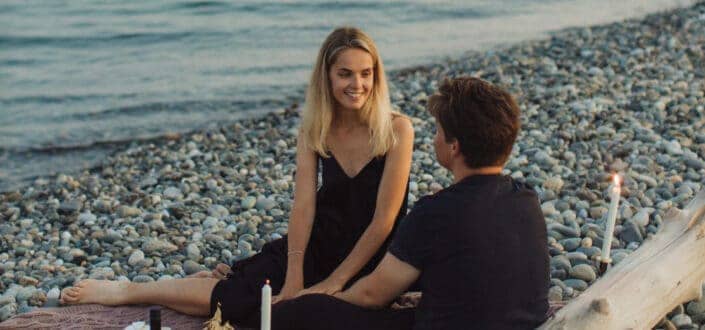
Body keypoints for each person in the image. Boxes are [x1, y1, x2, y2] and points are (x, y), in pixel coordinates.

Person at [59, 27, 414, 328]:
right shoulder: (315, 130)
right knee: (252, 300)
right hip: (319, 243)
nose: (357, 84)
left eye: (366, 73)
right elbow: (304, 206)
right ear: (327, 76)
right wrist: (294, 276)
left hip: (372, 256)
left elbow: (384, 220)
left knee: (290, 316)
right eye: (346, 73)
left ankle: (206, 284)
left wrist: (333, 283)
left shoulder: (397, 129)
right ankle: (127, 291)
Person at [272, 77, 550, 330]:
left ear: (453, 147)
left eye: (438, 131)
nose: (434, 139)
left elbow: (372, 294)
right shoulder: (526, 199)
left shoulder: (435, 212)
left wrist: (326, 296)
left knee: (302, 312)